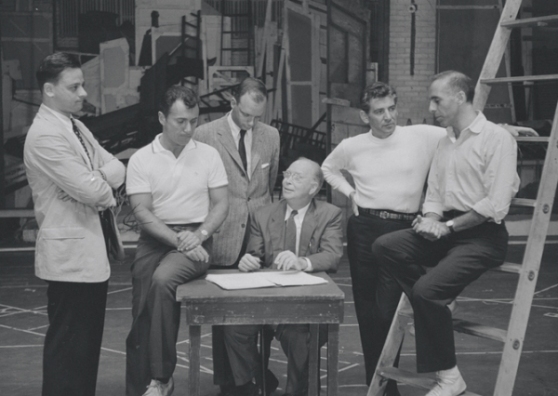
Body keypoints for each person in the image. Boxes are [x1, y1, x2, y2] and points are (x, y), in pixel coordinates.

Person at [372, 70, 519, 396]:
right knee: (385, 246)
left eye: (437, 99)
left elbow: (495, 205)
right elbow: (436, 195)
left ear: (460, 97)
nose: (432, 105)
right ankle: (439, 301)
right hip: (448, 229)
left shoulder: (498, 139)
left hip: (484, 235)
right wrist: (430, 219)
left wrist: (447, 226)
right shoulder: (444, 141)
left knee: (425, 291)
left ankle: (450, 380)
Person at [321, 82, 446, 394]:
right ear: (366, 117)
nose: (389, 116)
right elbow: (328, 168)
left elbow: (462, 131)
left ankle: (387, 380)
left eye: (392, 108)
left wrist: (502, 130)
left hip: (403, 231)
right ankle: (379, 387)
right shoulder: (353, 146)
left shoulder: (422, 135)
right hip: (364, 228)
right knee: (367, 310)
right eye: (379, 111)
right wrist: (350, 193)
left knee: (389, 310)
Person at [23, 52, 126, 396]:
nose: (83, 93)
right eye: (75, 86)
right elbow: (95, 190)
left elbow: (117, 167)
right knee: (67, 351)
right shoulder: (45, 135)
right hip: (69, 263)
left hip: (89, 256)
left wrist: (96, 181)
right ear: (49, 90)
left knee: (84, 352)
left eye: (83, 84)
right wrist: (98, 183)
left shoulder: (75, 126)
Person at [125, 85, 229, 396]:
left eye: (194, 121)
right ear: (161, 118)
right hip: (156, 237)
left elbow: (222, 203)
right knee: (141, 307)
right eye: (180, 122)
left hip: (198, 237)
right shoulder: (142, 159)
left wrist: (198, 236)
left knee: (162, 280)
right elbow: (141, 210)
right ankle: (138, 387)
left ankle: (162, 378)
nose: (188, 129)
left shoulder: (208, 155)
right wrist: (177, 239)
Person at [223, 158, 343, 396]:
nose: (287, 180)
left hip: (305, 303)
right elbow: (254, 254)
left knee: (300, 339)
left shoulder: (330, 214)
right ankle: (258, 382)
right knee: (233, 329)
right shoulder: (263, 214)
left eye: (297, 177)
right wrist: (248, 261)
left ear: (313, 188)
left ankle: (298, 392)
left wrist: (302, 262)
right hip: (267, 299)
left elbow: (332, 255)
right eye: (287, 174)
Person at [193, 77, 280, 394]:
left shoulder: (271, 135)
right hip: (224, 232)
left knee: (260, 310)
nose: (252, 121)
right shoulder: (205, 134)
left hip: (259, 233)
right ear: (232, 101)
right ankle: (230, 382)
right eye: (246, 115)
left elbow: (268, 187)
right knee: (224, 312)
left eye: (258, 116)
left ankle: (256, 372)